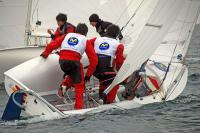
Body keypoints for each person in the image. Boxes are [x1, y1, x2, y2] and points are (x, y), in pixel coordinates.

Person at [41, 23, 98, 109]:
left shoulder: (67, 35)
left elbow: (53, 44)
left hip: (62, 62)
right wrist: (88, 75)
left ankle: (65, 85)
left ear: (76, 31)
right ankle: (78, 109)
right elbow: (94, 60)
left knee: (76, 71)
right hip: (74, 62)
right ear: (86, 33)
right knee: (79, 84)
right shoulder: (85, 40)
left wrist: (45, 53)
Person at [88, 24, 125, 104]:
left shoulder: (96, 39)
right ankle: (108, 103)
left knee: (104, 80)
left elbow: (86, 44)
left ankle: (101, 98)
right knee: (114, 82)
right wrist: (120, 72)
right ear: (117, 34)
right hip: (106, 71)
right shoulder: (119, 45)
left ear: (107, 31)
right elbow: (119, 61)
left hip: (95, 70)